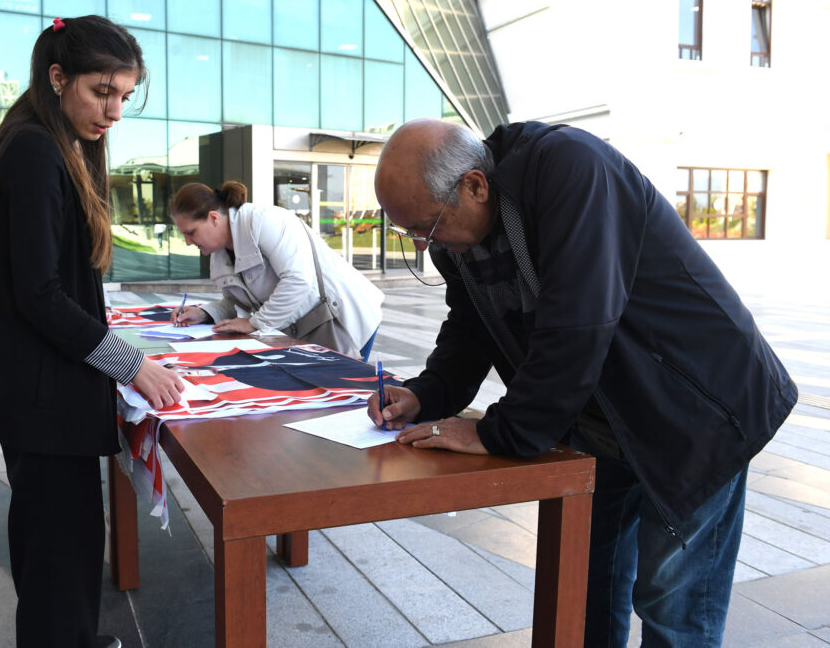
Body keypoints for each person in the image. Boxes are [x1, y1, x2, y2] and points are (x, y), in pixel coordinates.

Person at [367, 117, 797, 647]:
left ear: (474, 185)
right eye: (408, 233)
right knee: (587, 586)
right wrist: (425, 394)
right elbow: (471, 326)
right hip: (600, 416)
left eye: (426, 228)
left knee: (671, 605)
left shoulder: (571, 168)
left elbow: (578, 322)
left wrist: (498, 432)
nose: (423, 245)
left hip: (694, 410)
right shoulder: (455, 233)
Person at [0, 15, 184, 648]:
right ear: (58, 78)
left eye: (124, 96)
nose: (113, 111)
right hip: (41, 397)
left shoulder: (50, 143)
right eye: (101, 91)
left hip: (44, 391)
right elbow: (40, 294)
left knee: (65, 542)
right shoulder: (36, 150)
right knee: (59, 551)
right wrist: (131, 364)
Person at [168, 181, 384, 359]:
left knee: (344, 392)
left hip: (343, 319)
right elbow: (238, 302)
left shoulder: (263, 220)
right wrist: (205, 313)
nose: (188, 242)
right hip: (306, 327)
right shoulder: (219, 251)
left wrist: (255, 323)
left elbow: (298, 280)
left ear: (213, 218)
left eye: (191, 232)